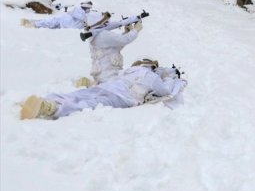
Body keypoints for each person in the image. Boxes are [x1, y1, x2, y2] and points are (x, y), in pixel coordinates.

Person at [19, 58, 187, 120]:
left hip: (116, 92)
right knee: (89, 100)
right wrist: (175, 81)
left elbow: (164, 92)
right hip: (118, 93)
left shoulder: (139, 73)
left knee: (86, 98)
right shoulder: (144, 75)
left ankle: (51, 104)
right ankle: (50, 105)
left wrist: (173, 78)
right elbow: (166, 91)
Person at [88, 20, 142, 84]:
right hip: (110, 77)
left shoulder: (96, 35)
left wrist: (126, 33)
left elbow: (115, 47)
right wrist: (135, 30)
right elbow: (124, 40)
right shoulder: (103, 35)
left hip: (105, 76)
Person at [20, 0, 104, 29]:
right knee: (49, 22)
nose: (88, 9)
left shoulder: (87, 14)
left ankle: (34, 24)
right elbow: (77, 15)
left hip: (65, 24)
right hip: (63, 20)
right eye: (87, 7)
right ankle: (33, 23)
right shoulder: (79, 9)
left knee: (49, 24)